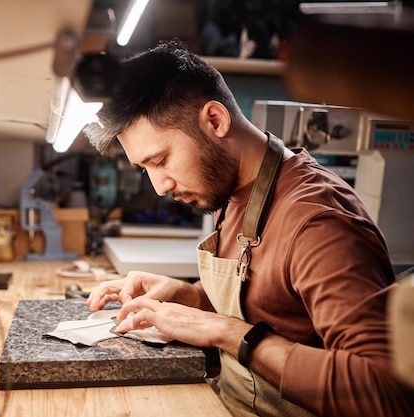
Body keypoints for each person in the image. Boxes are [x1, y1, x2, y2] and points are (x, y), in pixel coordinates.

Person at [82, 41, 414, 417]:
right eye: (146, 169)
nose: (160, 187)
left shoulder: (318, 221)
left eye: (161, 160)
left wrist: (224, 331)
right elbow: (273, 309)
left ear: (215, 121)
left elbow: (384, 392)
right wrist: (189, 297)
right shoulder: (231, 189)